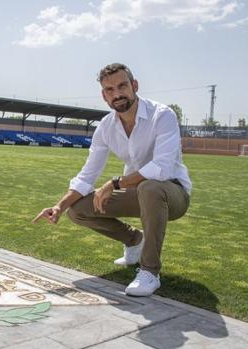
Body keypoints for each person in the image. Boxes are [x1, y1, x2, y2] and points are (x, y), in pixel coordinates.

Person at [33, 63, 191, 296]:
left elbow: (162, 168)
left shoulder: (162, 115)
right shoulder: (106, 127)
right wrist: (59, 206)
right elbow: (87, 175)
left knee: (150, 187)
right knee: (78, 210)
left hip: (172, 193)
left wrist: (114, 183)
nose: (117, 94)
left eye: (122, 86)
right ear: (103, 95)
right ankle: (134, 240)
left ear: (134, 85)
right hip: (137, 193)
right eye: (109, 90)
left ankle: (149, 272)